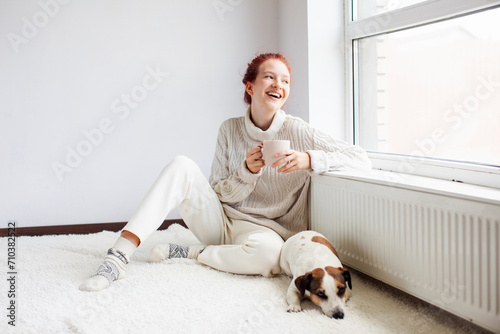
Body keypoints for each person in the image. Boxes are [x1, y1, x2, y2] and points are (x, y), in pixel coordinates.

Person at [79, 53, 371, 292]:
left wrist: (308, 158)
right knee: (181, 164)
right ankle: (117, 259)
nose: (278, 84)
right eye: (270, 76)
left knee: (270, 257)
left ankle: (192, 253)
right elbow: (216, 190)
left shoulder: (297, 130)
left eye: (285, 80)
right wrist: (246, 171)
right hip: (221, 220)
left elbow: (359, 158)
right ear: (250, 86)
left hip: (268, 231)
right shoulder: (229, 129)